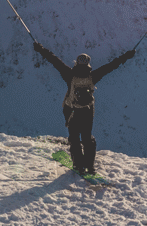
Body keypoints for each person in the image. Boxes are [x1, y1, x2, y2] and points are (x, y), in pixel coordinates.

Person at [34, 42, 137, 174]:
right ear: (88, 64)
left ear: (76, 63)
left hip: (72, 110)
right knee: (87, 138)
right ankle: (90, 166)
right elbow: (112, 65)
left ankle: (79, 165)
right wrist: (127, 55)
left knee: (74, 138)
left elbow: (54, 60)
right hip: (87, 111)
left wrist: (40, 48)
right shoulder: (92, 76)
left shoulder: (69, 75)